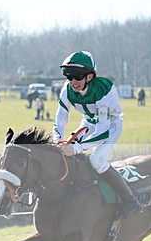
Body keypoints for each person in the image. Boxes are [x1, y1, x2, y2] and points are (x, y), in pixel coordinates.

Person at [53, 50, 142, 216]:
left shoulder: (104, 90)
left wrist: (76, 148)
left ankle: (130, 200)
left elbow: (102, 132)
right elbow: (61, 118)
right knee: (64, 153)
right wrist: (58, 140)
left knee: (96, 160)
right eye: (68, 76)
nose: (73, 81)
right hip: (88, 122)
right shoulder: (66, 90)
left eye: (78, 76)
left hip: (110, 126)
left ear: (89, 77)